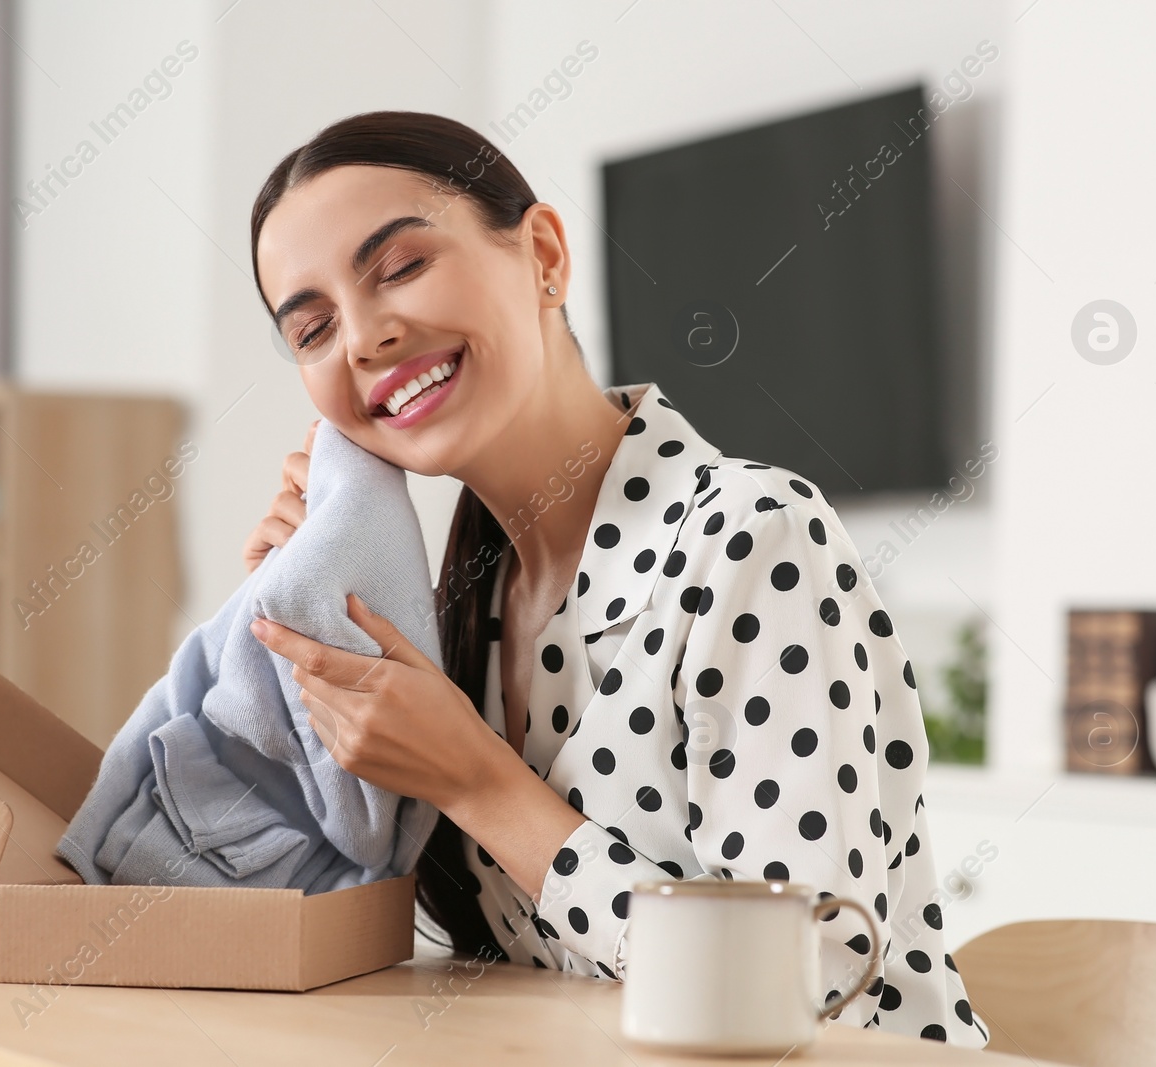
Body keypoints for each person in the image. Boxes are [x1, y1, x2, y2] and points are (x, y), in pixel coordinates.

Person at [242, 110, 987, 1047]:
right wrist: (302, 626)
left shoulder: (752, 539)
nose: (362, 338)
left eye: (399, 268)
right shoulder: (469, 605)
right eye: (313, 329)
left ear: (544, 256)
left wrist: (477, 782)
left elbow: (806, 986)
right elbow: (332, 922)